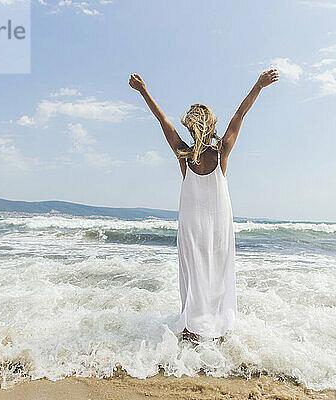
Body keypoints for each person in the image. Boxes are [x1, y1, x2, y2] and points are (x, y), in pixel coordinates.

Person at [129, 69, 279, 342]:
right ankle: (219, 332)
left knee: (194, 275)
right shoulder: (222, 152)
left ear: (189, 126)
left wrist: (143, 91)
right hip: (219, 227)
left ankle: (190, 329)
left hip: (191, 227)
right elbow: (239, 116)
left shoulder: (183, 155)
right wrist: (258, 86)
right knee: (217, 275)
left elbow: (162, 120)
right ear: (212, 126)